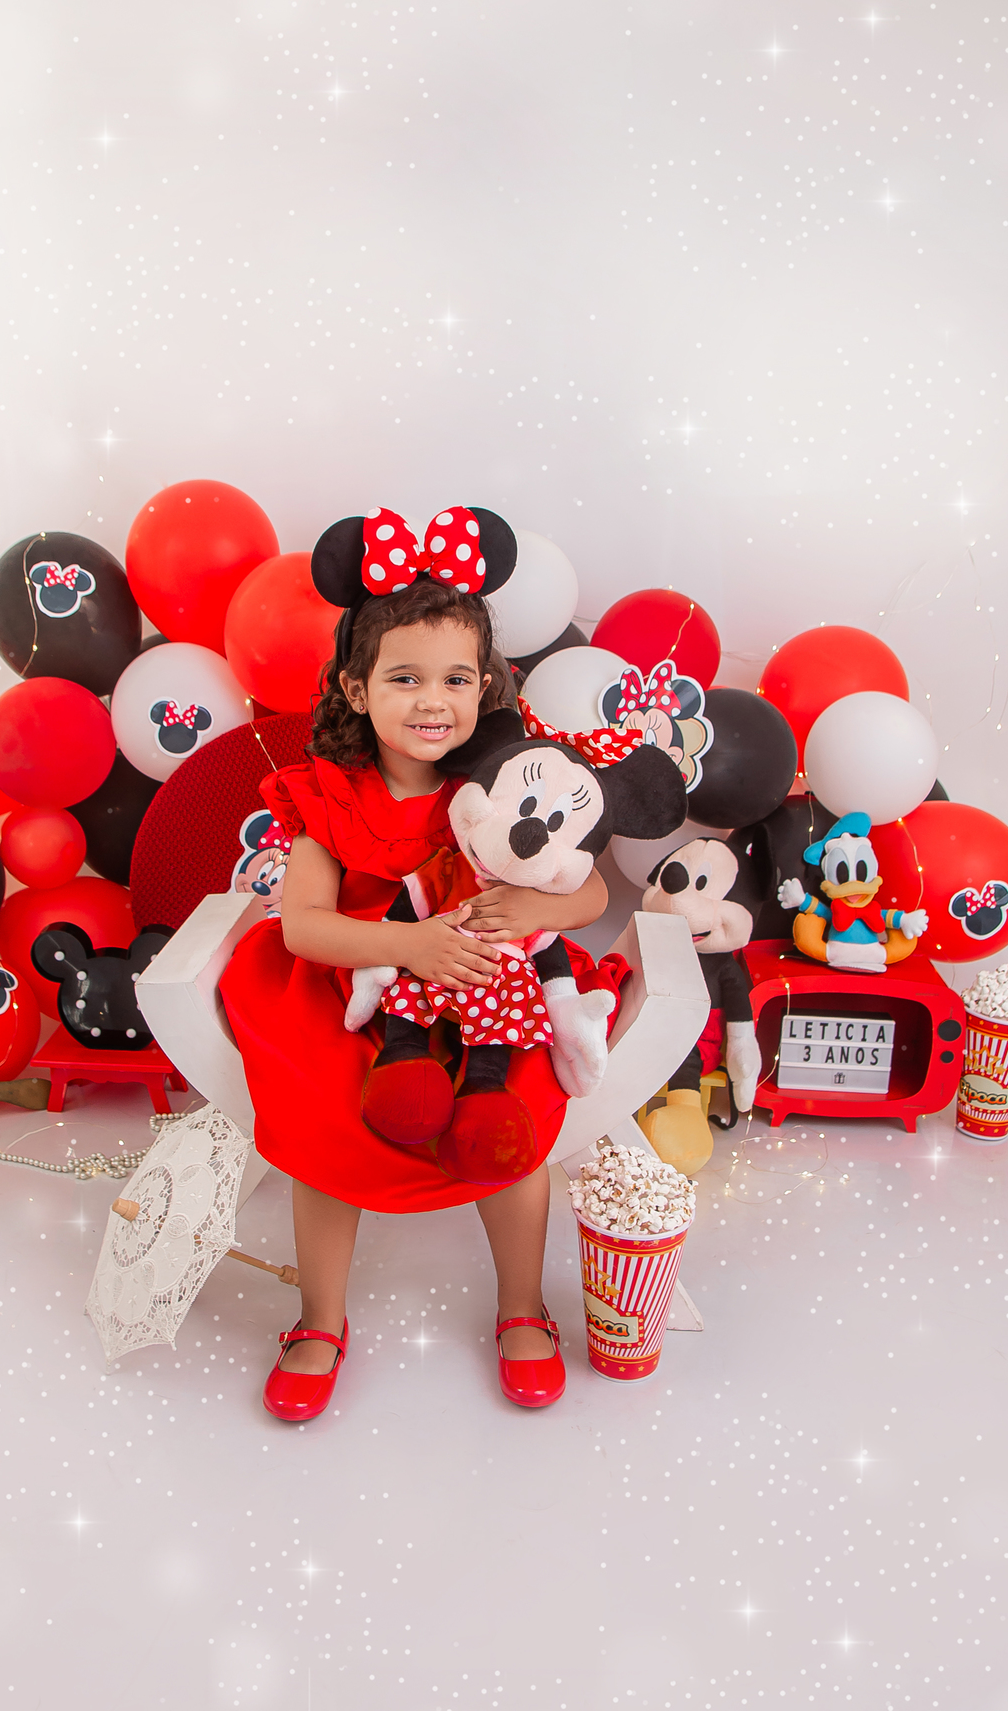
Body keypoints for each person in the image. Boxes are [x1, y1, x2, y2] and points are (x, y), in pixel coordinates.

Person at [220, 518, 626, 1422]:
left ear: (488, 686)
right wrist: (407, 946)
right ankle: (320, 1319)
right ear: (356, 689)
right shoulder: (331, 793)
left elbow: (592, 891)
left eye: (456, 679)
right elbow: (304, 928)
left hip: (493, 987)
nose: (432, 701)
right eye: (404, 678)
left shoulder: (509, 784)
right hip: (363, 985)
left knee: (514, 1107)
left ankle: (521, 1305)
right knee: (325, 1111)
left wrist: (541, 911)